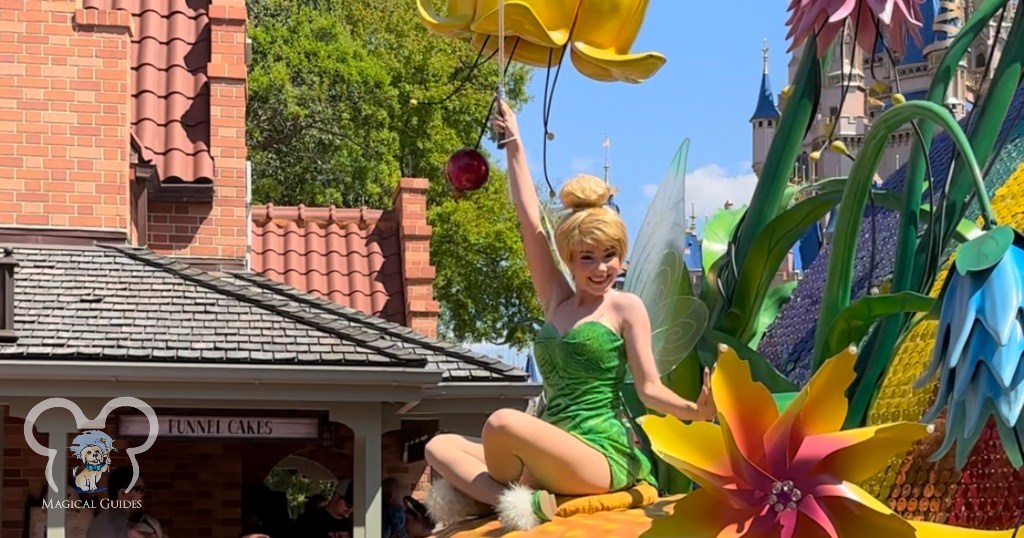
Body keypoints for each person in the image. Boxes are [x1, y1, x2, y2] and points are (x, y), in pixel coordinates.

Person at [422, 99, 717, 531]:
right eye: (587, 258)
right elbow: (530, 223)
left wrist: (695, 410)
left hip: (598, 453)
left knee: (503, 421)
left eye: (610, 256)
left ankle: (510, 496)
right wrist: (516, 145)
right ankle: (520, 502)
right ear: (570, 259)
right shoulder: (557, 302)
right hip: (550, 444)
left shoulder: (624, 307)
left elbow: (650, 387)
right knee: (440, 446)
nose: (601, 269)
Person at [86, 467, 144, 538]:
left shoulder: (97, 522)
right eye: (139, 490)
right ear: (123, 493)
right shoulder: (124, 525)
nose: (142, 494)